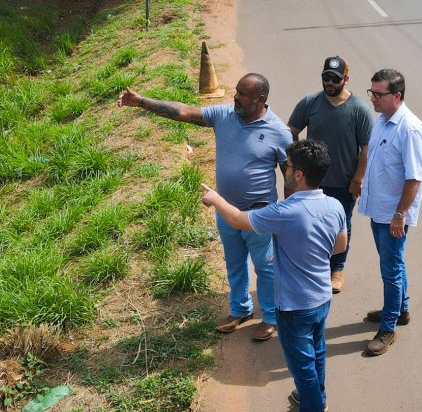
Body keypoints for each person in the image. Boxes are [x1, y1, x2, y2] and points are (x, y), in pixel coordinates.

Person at [117, 73, 292, 342]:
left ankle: (270, 316)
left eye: (242, 94)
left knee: (266, 268)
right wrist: (142, 101)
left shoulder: (277, 131)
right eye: (236, 91)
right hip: (225, 209)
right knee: (234, 264)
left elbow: (291, 176)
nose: (235, 97)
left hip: (258, 214)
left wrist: (289, 214)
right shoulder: (224, 115)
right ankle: (240, 310)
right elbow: (184, 111)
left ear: (260, 100)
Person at [201, 140, 347, 412]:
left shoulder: (285, 212)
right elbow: (340, 246)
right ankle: (316, 397)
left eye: (289, 167)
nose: (286, 170)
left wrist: (215, 198)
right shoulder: (334, 205)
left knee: (301, 363)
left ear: (300, 175)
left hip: (294, 304)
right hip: (321, 296)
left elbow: (238, 219)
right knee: (317, 351)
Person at [357, 68, 422, 356]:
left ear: (396, 96)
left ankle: (388, 327)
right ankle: (401, 309)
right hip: (379, 209)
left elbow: (414, 178)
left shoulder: (409, 129)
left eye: (378, 93)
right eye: (371, 92)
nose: (372, 98)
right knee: (393, 264)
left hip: (393, 215)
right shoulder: (382, 121)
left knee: (391, 269)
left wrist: (400, 215)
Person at [288, 56, 373, 294]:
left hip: (343, 183)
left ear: (345, 79)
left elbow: (367, 149)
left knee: (340, 225)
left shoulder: (359, 110)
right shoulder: (310, 103)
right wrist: (297, 162)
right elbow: (291, 131)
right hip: (312, 182)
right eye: (326, 77)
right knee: (308, 224)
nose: (330, 83)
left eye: (335, 79)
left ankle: (337, 268)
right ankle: (313, 266)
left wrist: (357, 179)